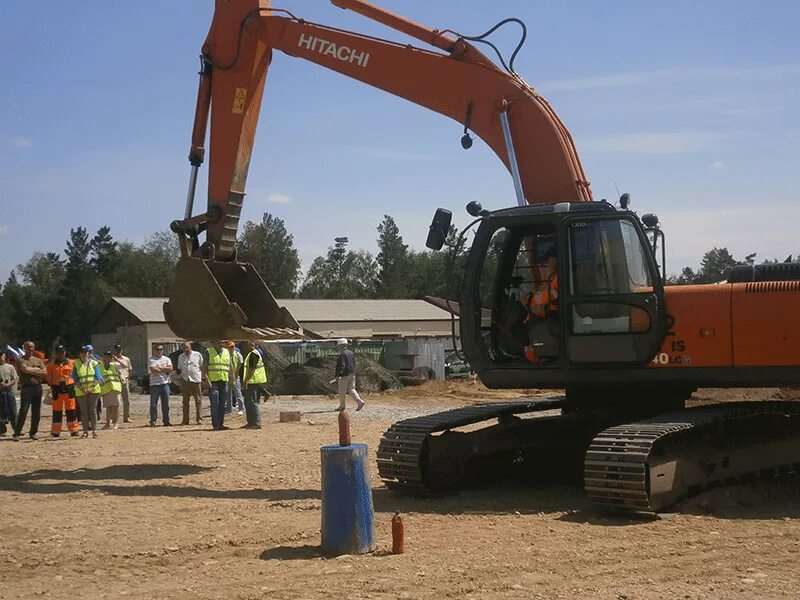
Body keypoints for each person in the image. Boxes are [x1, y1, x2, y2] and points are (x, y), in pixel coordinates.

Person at [523, 248, 560, 364]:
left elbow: (553, 297)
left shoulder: (558, 278)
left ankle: (536, 356)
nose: (547, 264)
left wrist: (534, 304)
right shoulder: (553, 278)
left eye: (549, 260)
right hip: (543, 314)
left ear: (554, 260)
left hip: (550, 315)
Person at [13, 341, 47, 441]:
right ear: (24, 348)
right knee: (23, 410)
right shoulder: (20, 360)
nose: (30, 349)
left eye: (32, 347)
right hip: (27, 388)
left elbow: (45, 372)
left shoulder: (38, 360)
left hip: (37, 387)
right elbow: (25, 369)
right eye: (28, 347)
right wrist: (37, 370)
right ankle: (17, 433)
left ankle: (33, 433)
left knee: (36, 411)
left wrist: (32, 370)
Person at [46, 345, 80, 437]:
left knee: (71, 410)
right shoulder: (51, 365)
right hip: (57, 389)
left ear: (65, 352)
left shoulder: (72, 363)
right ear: (55, 353)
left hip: (69, 388)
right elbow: (49, 379)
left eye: (62, 352)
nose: (60, 354)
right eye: (58, 352)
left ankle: (74, 430)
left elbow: (77, 374)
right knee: (56, 411)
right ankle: (55, 431)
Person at [74, 345, 102, 438]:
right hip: (81, 391)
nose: (84, 354)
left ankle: (94, 431)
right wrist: (83, 389)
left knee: (93, 410)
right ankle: (85, 431)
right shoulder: (76, 363)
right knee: (84, 412)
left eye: (86, 352)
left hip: (94, 391)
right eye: (82, 352)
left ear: (88, 353)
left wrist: (91, 388)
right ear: (80, 354)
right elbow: (75, 378)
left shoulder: (94, 363)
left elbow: (98, 377)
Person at [202, 340, 230, 430]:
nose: (221, 344)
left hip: (224, 380)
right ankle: (216, 424)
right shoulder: (208, 351)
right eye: (219, 342)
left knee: (223, 403)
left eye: (223, 343)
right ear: (213, 343)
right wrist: (207, 381)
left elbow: (230, 366)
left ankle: (221, 423)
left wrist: (233, 378)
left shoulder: (226, 352)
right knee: (215, 403)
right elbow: (204, 368)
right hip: (213, 382)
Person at [241, 340, 266, 429]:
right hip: (252, 381)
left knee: (252, 402)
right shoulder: (251, 354)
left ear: (255, 346)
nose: (249, 346)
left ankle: (256, 423)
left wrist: (246, 381)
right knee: (248, 402)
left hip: (252, 381)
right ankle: (251, 422)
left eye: (252, 345)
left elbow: (252, 369)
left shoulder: (253, 354)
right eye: (249, 345)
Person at [334, 338, 364, 412]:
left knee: (342, 391)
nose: (338, 347)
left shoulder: (342, 354)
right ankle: (360, 402)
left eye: (338, 346)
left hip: (344, 375)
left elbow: (342, 365)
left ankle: (342, 406)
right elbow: (353, 363)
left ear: (341, 345)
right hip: (352, 374)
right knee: (351, 389)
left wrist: (338, 375)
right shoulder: (351, 353)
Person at [177, 341, 203, 425]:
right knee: (185, 401)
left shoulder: (197, 355)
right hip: (185, 380)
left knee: (198, 400)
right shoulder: (180, 357)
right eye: (184, 348)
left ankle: (199, 419)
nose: (186, 349)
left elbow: (201, 366)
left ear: (190, 347)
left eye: (187, 347)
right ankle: (185, 420)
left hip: (196, 380)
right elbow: (180, 368)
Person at [148, 344, 173, 427]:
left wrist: (160, 368)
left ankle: (166, 421)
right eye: (157, 349)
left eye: (161, 349)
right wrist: (164, 369)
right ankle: (153, 421)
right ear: (154, 350)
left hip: (165, 384)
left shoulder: (167, 359)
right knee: (153, 404)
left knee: (166, 404)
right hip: (154, 384)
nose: (159, 351)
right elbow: (153, 370)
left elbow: (170, 369)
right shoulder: (151, 359)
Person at [98, 351, 122, 429]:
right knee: (108, 407)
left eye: (110, 356)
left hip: (115, 388)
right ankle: (108, 423)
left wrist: (116, 359)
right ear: (104, 357)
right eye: (107, 356)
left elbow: (125, 366)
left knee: (116, 406)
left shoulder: (115, 365)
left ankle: (116, 423)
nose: (109, 358)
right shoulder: (100, 367)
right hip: (106, 389)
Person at [112, 344, 134, 423]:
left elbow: (128, 368)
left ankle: (126, 417)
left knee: (126, 400)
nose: (118, 352)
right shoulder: (111, 360)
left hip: (124, 380)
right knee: (115, 401)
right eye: (117, 350)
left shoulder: (126, 359)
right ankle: (113, 418)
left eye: (119, 350)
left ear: (122, 350)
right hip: (115, 381)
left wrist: (128, 378)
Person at [0, 350, 18, 436]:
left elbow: (15, 378)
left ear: (4, 356)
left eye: (1, 355)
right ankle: (2, 430)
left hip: (9, 393)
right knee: (1, 413)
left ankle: (17, 430)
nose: (0, 357)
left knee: (13, 413)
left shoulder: (10, 367)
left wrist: (8, 384)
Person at [225, 341, 245, 415]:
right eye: (230, 347)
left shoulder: (237, 354)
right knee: (228, 393)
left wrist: (235, 375)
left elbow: (240, 365)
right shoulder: (226, 354)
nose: (232, 348)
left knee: (238, 392)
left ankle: (241, 408)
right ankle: (228, 409)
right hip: (227, 376)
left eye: (233, 346)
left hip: (236, 376)